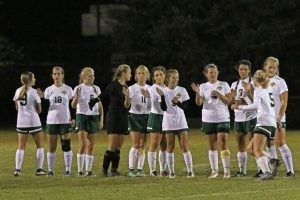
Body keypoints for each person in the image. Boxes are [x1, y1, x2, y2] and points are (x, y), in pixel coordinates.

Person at [232, 70, 277, 180]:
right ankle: (272, 159)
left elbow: (255, 106)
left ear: (256, 80)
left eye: (253, 80)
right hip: (270, 122)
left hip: (263, 121)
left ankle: (267, 172)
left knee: (257, 150)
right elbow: (257, 103)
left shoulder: (259, 90)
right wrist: (247, 94)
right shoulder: (267, 89)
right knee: (250, 149)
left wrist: (239, 107)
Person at [89, 64, 131, 176]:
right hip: (113, 117)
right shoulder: (113, 85)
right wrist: (93, 102)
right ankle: (104, 170)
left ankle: (114, 170)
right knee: (112, 145)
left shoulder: (126, 87)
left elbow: (127, 106)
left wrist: (127, 97)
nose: (130, 75)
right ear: (123, 74)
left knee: (119, 146)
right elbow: (103, 96)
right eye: (129, 73)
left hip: (123, 118)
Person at [191, 64, 231, 178]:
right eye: (210, 72)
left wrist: (219, 94)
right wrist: (198, 92)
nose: (212, 74)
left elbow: (228, 101)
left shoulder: (224, 84)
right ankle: (214, 171)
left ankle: (227, 171)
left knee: (222, 142)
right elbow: (199, 103)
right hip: (208, 118)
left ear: (217, 72)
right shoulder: (203, 86)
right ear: (206, 74)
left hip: (222, 117)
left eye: (214, 72)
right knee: (212, 145)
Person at [156, 69, 194, 178]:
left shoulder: (182, 90)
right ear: (168, 78)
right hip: (168, 122)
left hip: (181, 121)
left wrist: (178, 103)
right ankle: (171, 172)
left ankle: (190, 171)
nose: (176, 80)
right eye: (173, 78)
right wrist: (163, 96)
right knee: (170, 146)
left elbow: (187, 107)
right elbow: (163, 108)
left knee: (184, 146)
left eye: (177, 77)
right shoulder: (163, 91)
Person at [264, 57, 294, 177]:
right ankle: (274, 170)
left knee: (280, 142)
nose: (271, 69)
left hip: (277, 117)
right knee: (269, 144)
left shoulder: (280, 81)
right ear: (265, 66)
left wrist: (279, 117)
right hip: (266, 118)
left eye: (274, 67)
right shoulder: (261, 81)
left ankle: (290, 171)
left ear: (277, 69)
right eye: (269, 67)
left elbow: (284, 102)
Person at [71, 67, 104, 176]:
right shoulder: (78, 88)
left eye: (93, 75)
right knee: (83, 144)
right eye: (90, 75)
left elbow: (100, 106)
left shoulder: (96, 89)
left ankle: (89, 171)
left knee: (91, 145)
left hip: (93, 117)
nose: (92, 77)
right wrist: (77, 97)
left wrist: (101, 120)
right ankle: (80, 171)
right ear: (84, 77)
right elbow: (73, 105)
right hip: (82, 116)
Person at [13, 71, 46, 176]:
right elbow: (39, 110)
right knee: (40, 146)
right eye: (34, 78)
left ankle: (17, 170)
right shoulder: (34, 92)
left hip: (21, 122)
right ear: (30, 80)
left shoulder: (18, 91)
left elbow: (17, 107)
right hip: (33, 122)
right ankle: (39, 170)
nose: (35, 79)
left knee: (21, 146)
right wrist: (40, 98)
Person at [44, 66, 74, 176]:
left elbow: (72, 105)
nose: (56, 76)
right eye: (54, 74)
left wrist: (73, 118)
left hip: (65, 121)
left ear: (62, 75)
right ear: (52, 76)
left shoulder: (68, 89)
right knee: (52, 147)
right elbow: (45, 107)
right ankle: (50, 170)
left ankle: (68, 170)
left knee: (66, 146)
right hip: (52, 121)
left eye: (58, 74)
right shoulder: (48, 90)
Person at [229, 60, 257, 177]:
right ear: (238, 70)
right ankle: (242, 171)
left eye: (245, 69)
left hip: (251, 116)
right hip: (238, 118)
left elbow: (257, 100)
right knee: (240, 145)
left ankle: (262, 169)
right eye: (241, 69)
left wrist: (248, 93)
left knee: (253, 146)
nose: (243, 71)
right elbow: (231, 103)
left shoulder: (254, 83)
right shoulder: (234, 84)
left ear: (249, 70)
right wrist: (233, 99)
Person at [127, 65, 151, 177]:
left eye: (143, 73)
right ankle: (131, 169)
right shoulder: (131, 88)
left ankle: (140, 169)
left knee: (143, 145)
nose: (141, 75)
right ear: (136, 75)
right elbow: (126, 105)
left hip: (147, 117)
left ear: (147, 75)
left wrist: (149, 97)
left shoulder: (150, 88)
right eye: (139, 73)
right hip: (134, 117)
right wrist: (128, 99)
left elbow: (152, 107)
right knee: (136, 144)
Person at [146, 66, 168, 177]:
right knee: (154, 144)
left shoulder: (167, 88)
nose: (159, 77)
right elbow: (150, 106)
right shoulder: (152, 89)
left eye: (161, 75)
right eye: (156, 75)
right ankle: (152, 170)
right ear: (154, 77)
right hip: (155, 116)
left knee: (164, 145)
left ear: (165, 75)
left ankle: (163, 169)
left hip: (166, 118)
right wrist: (149, 98)